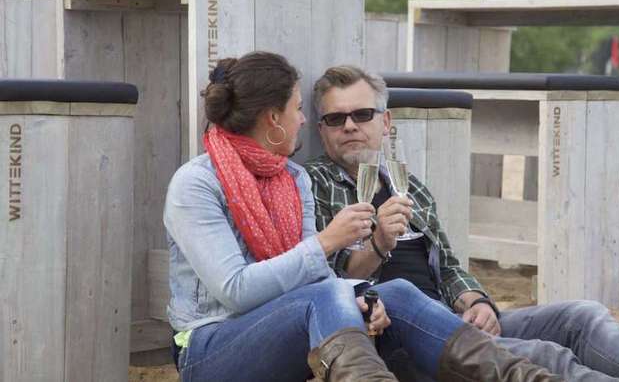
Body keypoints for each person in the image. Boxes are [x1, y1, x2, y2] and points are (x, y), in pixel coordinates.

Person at [163, 51, 560, 382]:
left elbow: (319, 279)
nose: (303, 120)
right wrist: (326, 243)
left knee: (397, 293)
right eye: (298, 109)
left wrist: (364, 296)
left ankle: (524, 378)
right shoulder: (196, 184)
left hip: (286, 328)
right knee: (326, 295)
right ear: (272, 119)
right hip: (209, 350)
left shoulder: (292, 179)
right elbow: (235, 289)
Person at [304, 64, 619, 382]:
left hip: (453, 315)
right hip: (409, 336)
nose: (350, 126)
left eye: (362, 114)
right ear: (321, 131)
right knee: (547, 355)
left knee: (582, 316)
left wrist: (475, 301)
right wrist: (378, 243)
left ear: (386, 122)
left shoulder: (411, 187)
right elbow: (332, 283)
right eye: (336, 118)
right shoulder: (313, 185)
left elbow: (451, 267)